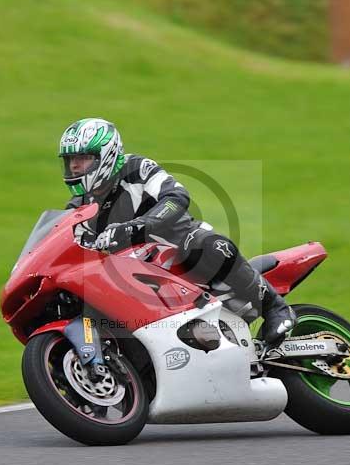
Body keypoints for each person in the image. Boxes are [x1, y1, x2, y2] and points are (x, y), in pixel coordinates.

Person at [59, 117, 295, 346]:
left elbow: (175, 197)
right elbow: (67, 244)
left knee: (206, 245)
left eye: (83, 157)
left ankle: (275, 307)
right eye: (70, 159)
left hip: (176, 244)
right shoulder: (79, 206)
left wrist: (139, 225)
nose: (74, 165)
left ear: (106, 156)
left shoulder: (137, 168)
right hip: (132, 271)